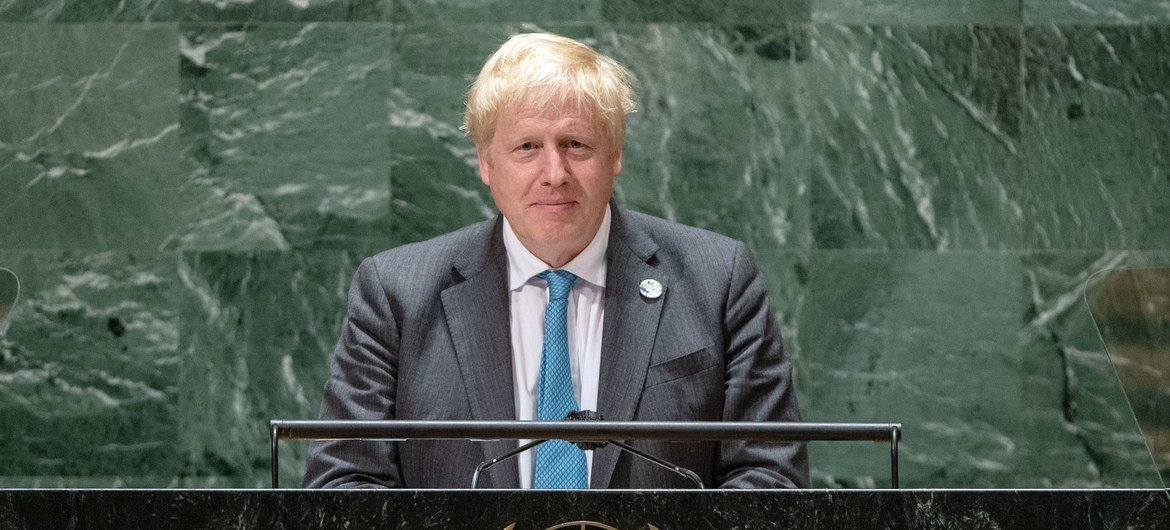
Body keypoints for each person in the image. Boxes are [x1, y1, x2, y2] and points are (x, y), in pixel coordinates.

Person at [303, 32, 808, 489]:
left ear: (615, 154)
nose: (554, 173)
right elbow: (344, 485)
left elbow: (769, 477)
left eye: (576, 145)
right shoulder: (396, 293)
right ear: (485, 162)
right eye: (527, 147)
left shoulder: (718, 279)